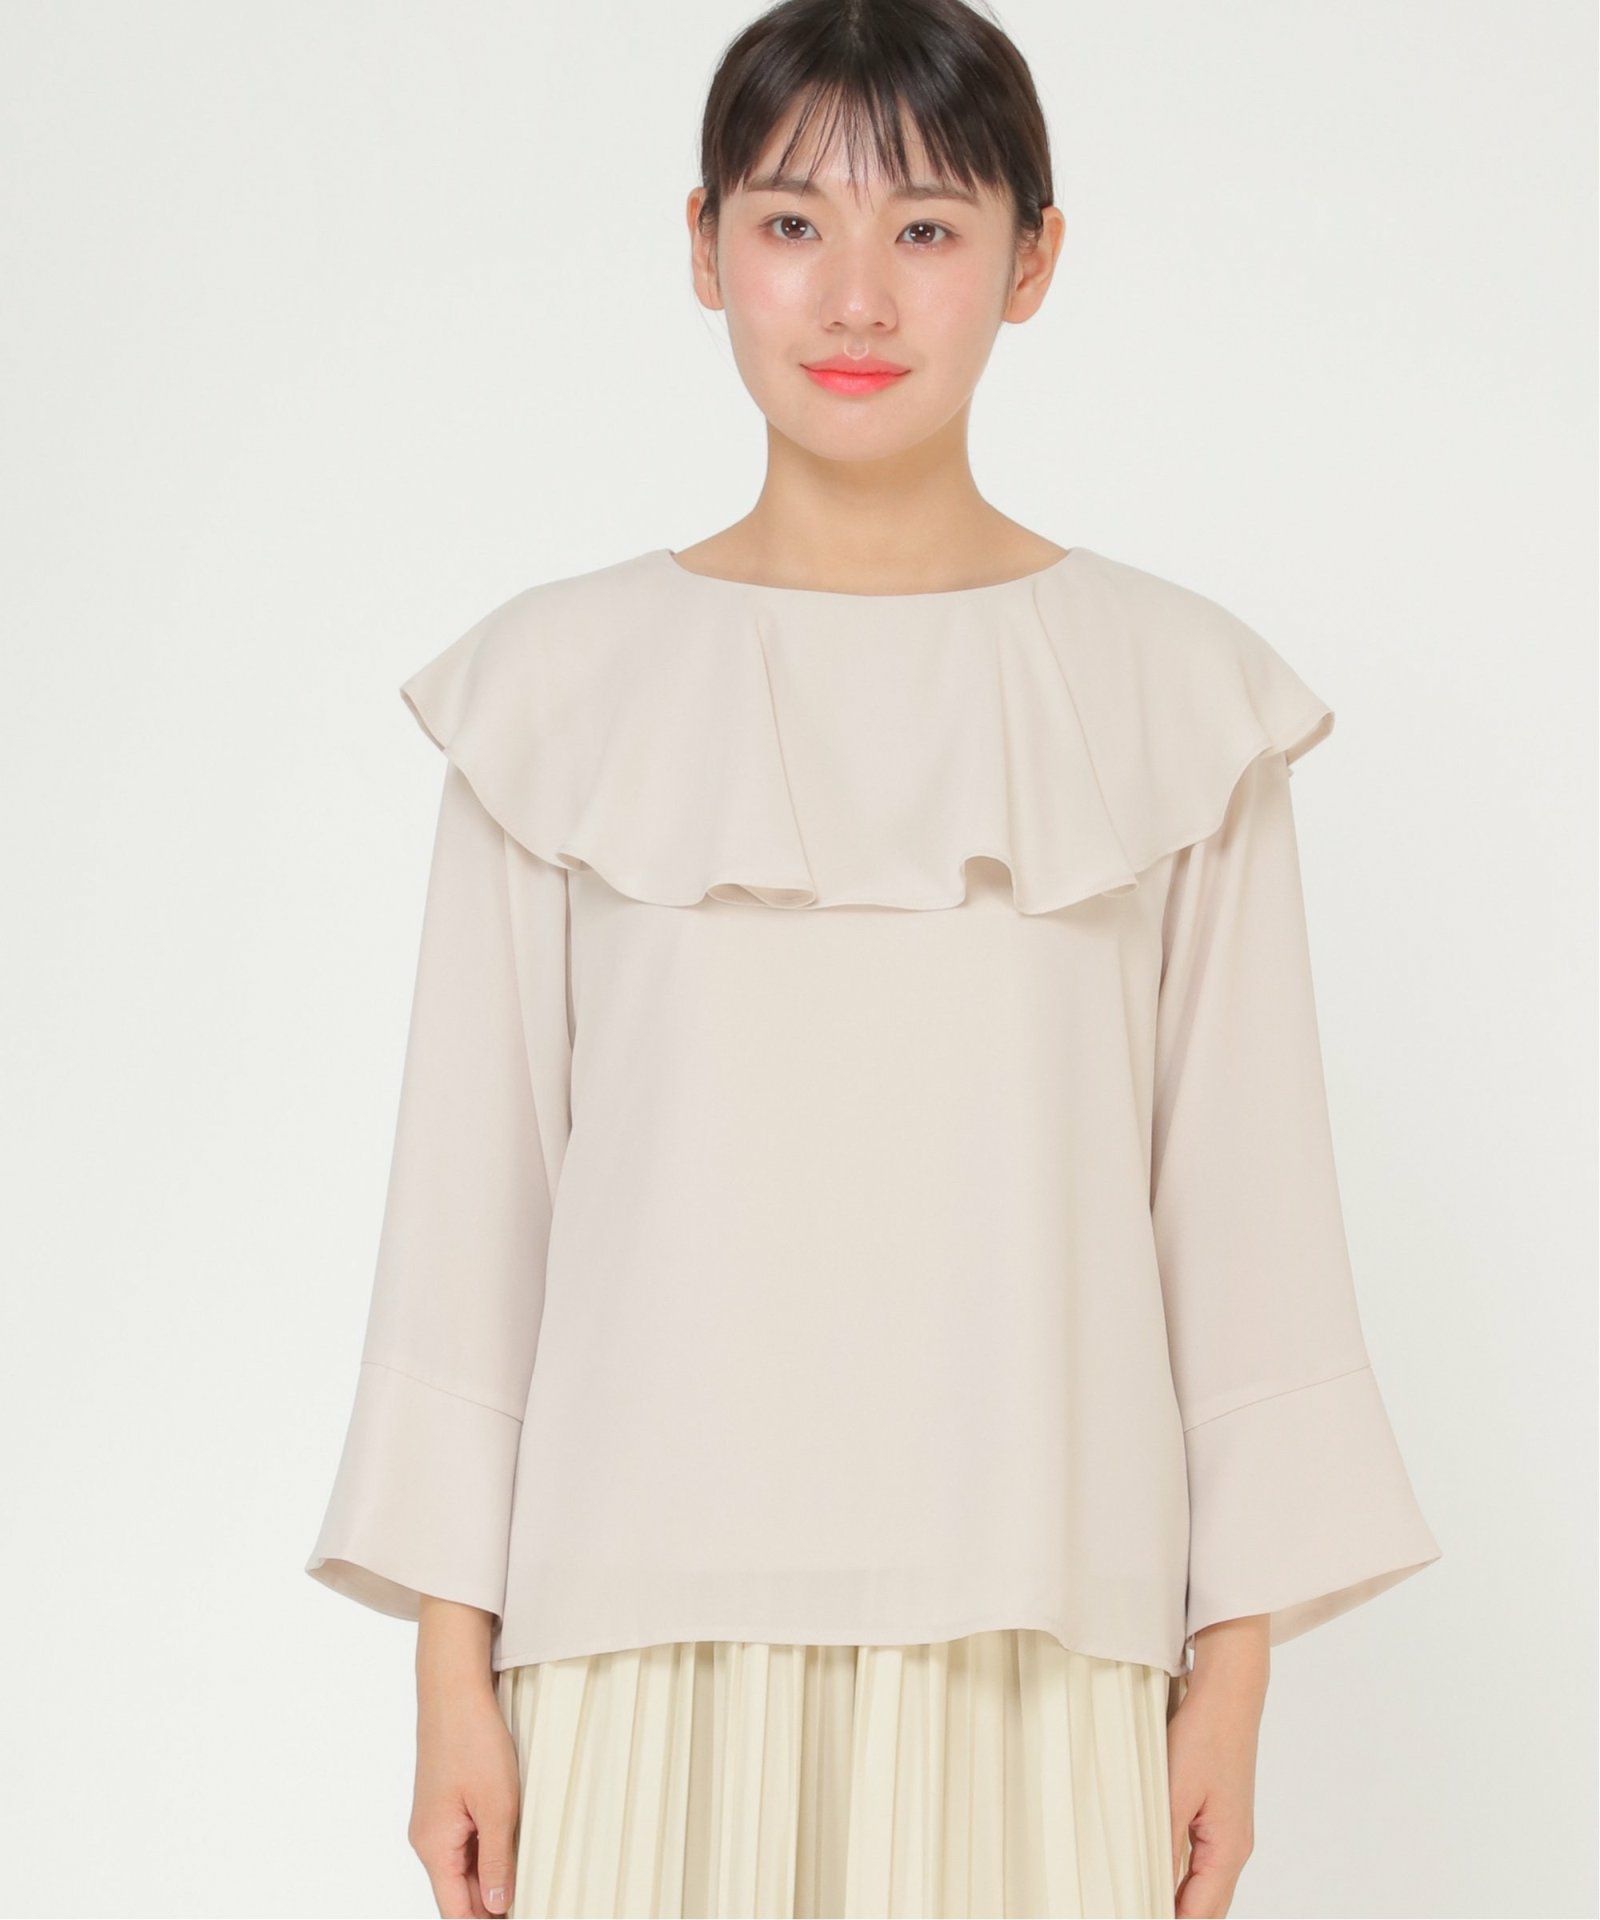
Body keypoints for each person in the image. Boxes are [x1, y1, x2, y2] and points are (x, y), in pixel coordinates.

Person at [303, 2, 1442, 1915]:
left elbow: (1245, 1219)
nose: (854, 297)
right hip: (633, 1646)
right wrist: (450, 1673)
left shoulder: (1174, 699)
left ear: (1032, 258)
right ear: (701, 247)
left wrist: (1229, 1681)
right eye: (789, 222)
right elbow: (472, 1213)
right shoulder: (555, 693)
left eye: (925, 227)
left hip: (1042, 1640)